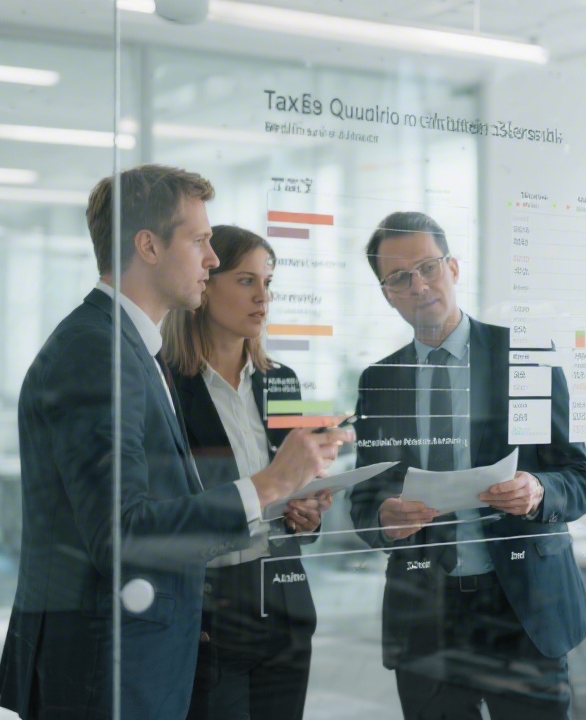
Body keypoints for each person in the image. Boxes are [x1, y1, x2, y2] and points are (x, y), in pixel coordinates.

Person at [0, 165, 351, 720]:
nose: (210, 258)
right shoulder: (98, 351)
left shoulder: (133, 349)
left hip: (142, 655)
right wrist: (271, 484)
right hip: (107, 668)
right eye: (200, 240)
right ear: (149, 246)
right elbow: (122, 533)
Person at [348, 211, 586, 720]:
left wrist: (537, 489)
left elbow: (580, 479)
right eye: (400, 277)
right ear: (387, 294)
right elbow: (364, 502)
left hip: (522, 608)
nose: (419, 286)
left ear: (453, 268)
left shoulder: (524, 356)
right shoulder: (379, 381)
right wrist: (384, 517)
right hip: (427, 616)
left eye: (428, 267)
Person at [162, 225, 330, 720]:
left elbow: (292, 487)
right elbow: (168, 509)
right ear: (205, 282)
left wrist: (309, 512)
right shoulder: (166, 385)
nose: (263, 297)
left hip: (284, 601)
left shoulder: (282, 382)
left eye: (268, 283)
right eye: (245, 281)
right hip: (212, 608)